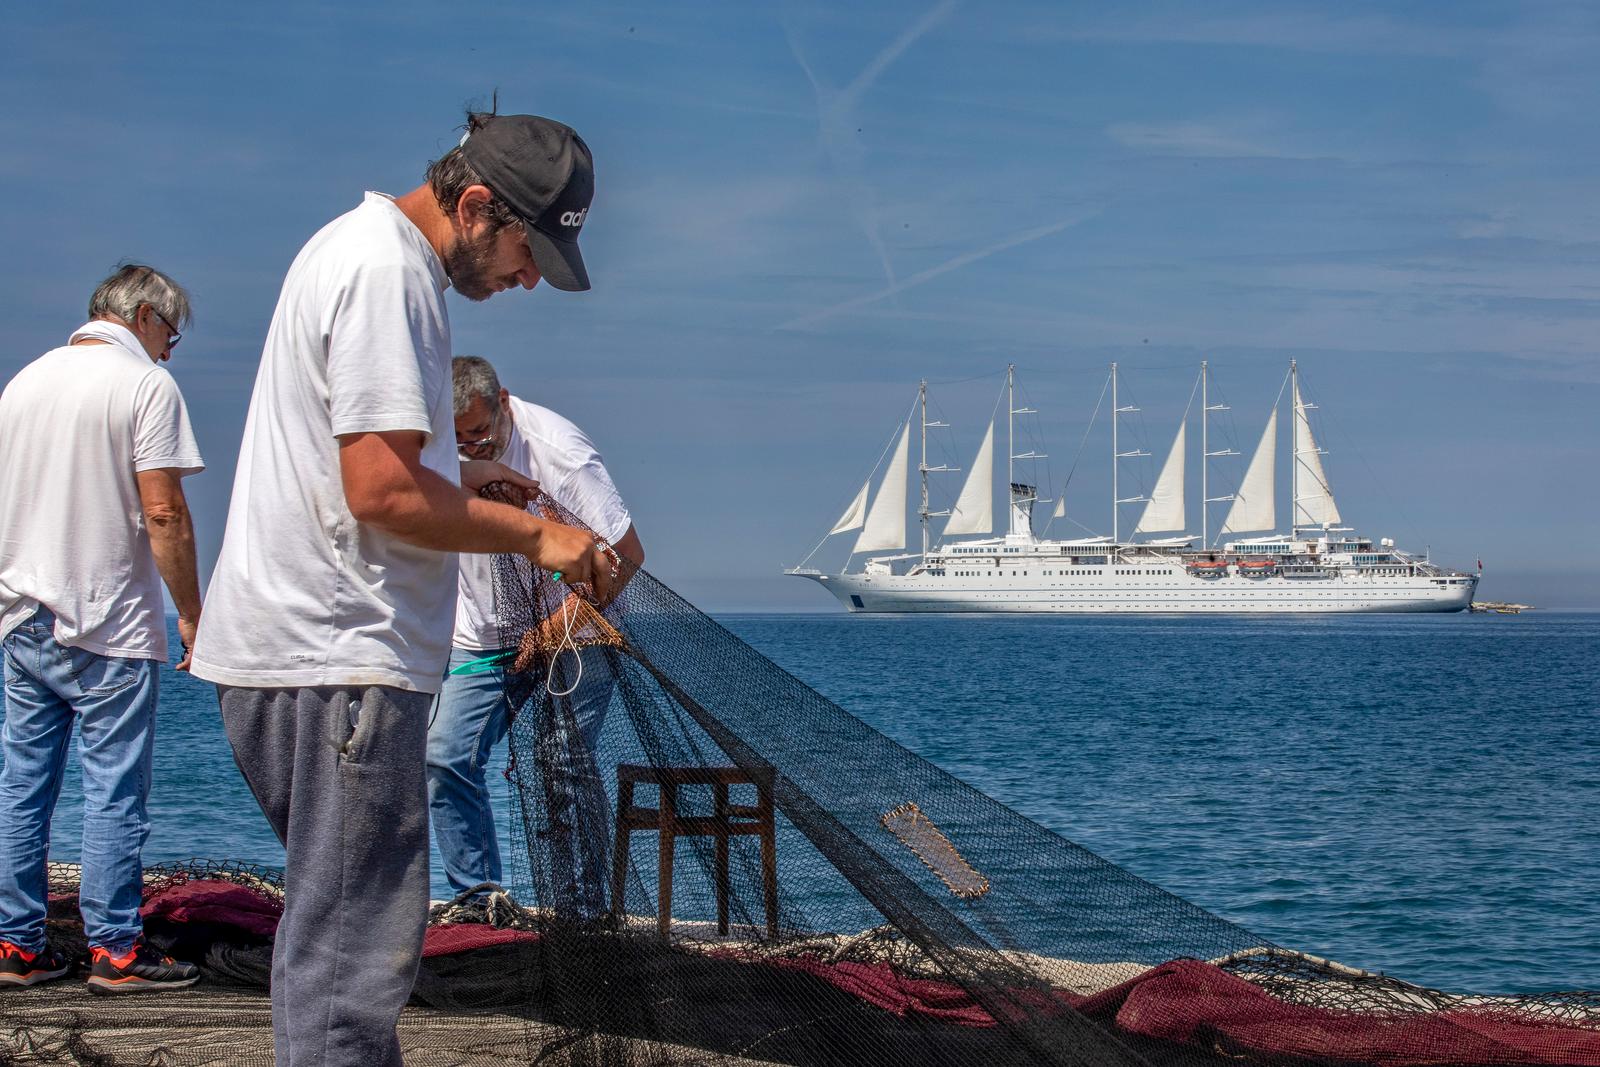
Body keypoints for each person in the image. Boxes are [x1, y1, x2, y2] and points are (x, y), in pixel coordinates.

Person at [187, 112, 618, 1066]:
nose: (529, 277)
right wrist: (542, 532)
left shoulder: (352, 247)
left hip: (297, 654)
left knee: (336, 932)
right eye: (525, 248)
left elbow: (352, 465)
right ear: (474, 206)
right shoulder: (391, 274)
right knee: (351, 959)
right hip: (340, 659)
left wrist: (464, 480)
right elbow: (380, 491)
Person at [0, 265, 205, 993]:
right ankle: (115, 949)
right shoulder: (144, 386)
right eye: (170, 334)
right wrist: (190, 610)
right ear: (144, 315)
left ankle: (16, 944)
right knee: (113, 789)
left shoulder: (21, 385)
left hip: (23, 613)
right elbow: (164, 512)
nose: (170, 352)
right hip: (110, 618)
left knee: (23, 785)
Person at [430, 356, 643, 919]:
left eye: (479, 435)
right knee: (446, 757)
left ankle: (583, 913)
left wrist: (550, 631)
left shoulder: (560, 453)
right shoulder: (431, 447)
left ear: (504, 403)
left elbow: (626, 557)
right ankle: (479, 901)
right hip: (481, 634)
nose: (470, 450)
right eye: (456, 440)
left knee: (560, 760)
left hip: (577, 627)